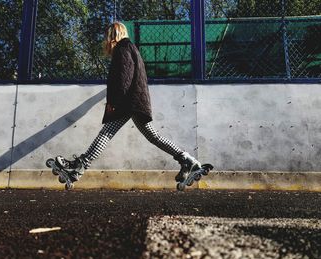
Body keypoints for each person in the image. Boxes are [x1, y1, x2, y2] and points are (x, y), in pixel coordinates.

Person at [54, 22, 207, 186]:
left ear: (113, 35)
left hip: (128, 101)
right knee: (153, 136)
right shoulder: (129, 48)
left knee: (106, 133)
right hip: (135, 101)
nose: (106, 40)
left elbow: (124, 77)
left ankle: (80, 166)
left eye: (108, 36)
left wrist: (114, 101)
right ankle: (187, 160)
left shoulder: (123, 48)